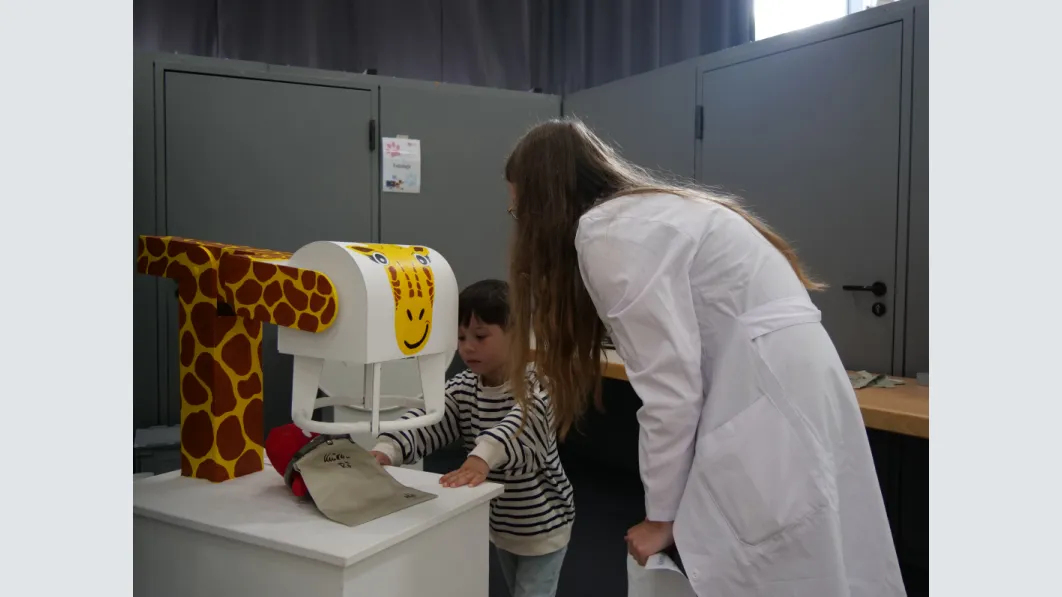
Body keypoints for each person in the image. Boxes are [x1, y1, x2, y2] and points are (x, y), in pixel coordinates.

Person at [503, 119, 906, 597]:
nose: (519, 224)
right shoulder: (654, 211)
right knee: (827, 551)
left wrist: (660, 517)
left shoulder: (604, 231)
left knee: (777, 561)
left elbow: (670, 394)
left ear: (542, 201)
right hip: (791, 379)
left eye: (518, 211)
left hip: (765, 392)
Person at [370, 279, 574, 597]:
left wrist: (483, 455)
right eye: (461, 337)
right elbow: (430, 419)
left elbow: (523, 423)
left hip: (543, 524)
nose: (467, 347)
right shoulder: (466, 386)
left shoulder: (538, 383)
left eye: (480, 336)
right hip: (501, 524)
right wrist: (389, 447)